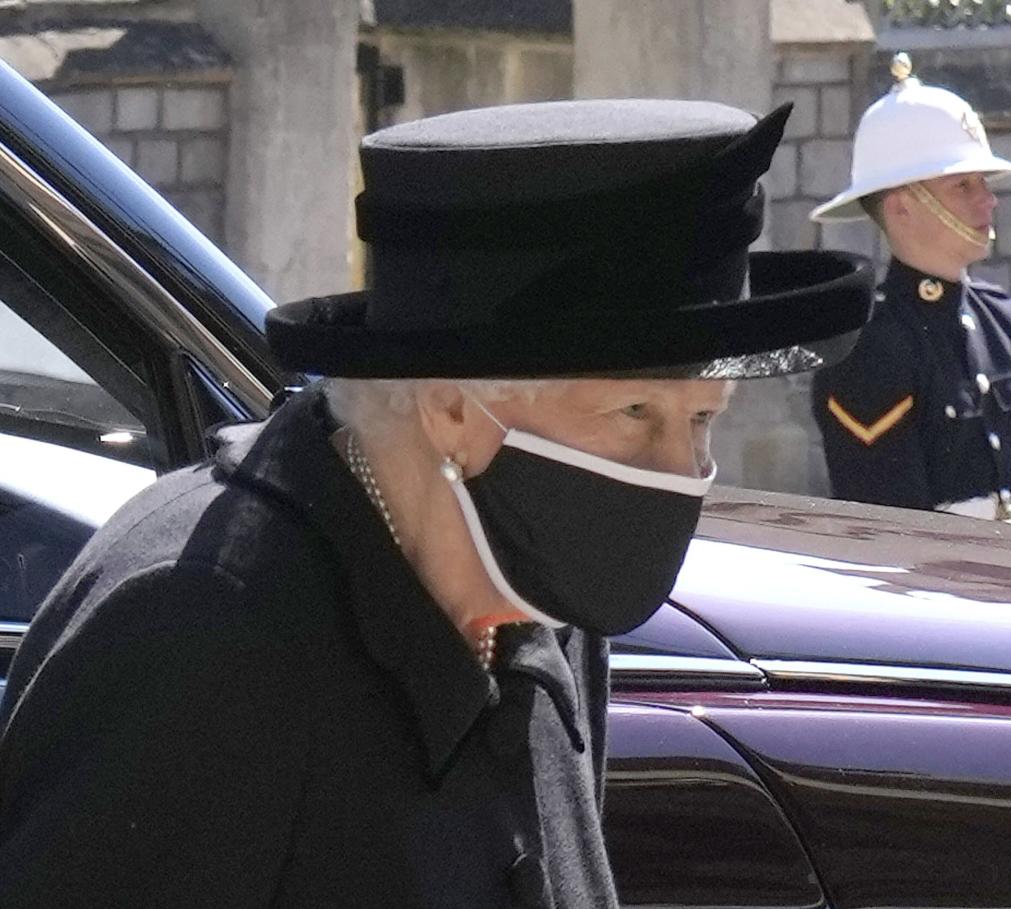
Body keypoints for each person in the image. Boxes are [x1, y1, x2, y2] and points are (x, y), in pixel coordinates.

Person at [0, 99, 872, 906]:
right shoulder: (206, 629)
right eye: (636, 412)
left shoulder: (539, 604)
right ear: (453, 405)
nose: (679, 469)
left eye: (704, 420)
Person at [807, 54, 1011, 523]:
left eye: (983, 182)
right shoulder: (869, 345)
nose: (987, 198)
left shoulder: (1002, 318)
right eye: (962, 186)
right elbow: (887, 523)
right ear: (902, 207)